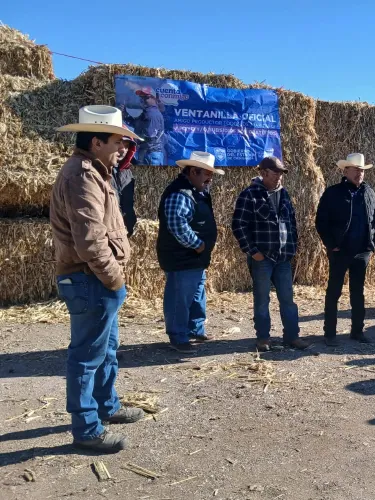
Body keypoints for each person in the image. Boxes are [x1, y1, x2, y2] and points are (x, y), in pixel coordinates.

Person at [52, 105, 146, 452]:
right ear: (96, 142)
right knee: (87, 356)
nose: (123, 148)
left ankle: (107, 405)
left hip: (95, 279)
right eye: (118, 141)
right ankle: (87, 429)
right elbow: (90, 240)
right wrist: (114, 279)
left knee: (105, 350)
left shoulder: (94, 171)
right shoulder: (82, 176)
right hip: (91, 279)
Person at [232, 156, 311, 352]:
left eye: (281, 173)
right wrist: (253, 251)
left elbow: (292, 223)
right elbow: (239, 225)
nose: (279, 177)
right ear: (263, 173)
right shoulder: (249, 195)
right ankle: (263, 338)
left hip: (283, 257)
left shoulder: (284, 194)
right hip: (262, 258)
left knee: (288, 300)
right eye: (275, 173)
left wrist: (292, 247)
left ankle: (292, 336)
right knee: (262, 300)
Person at [156, 151, 222, 353]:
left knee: (196, 294)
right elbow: (177, 224)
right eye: (207, 174)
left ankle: (194, 329)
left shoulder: (196, 191)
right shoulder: (180, 193)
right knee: (180, 298)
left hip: (195, 258)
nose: (210, 179)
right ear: (193, 172)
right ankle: (178, 336)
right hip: (182, 257)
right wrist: (197, 244)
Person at [315, 153, 375, 346]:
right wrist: (331, 244)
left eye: (362, 170)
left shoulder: (369, 192)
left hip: (362, 251)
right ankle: (330, 334)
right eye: (356, 170)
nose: (359, 173)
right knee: (334, 292)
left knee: (357, 293)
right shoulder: (333, 193)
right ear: (345, 171)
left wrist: (372, 244)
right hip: (340, 251)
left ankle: (357, 331)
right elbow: (321, 222)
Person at [123, 86, 165, 165]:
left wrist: (134, 140)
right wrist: (125, 115)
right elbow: (136, 124)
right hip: (148, 153)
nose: (143, 100)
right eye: (141, 97)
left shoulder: (152, 114)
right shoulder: (147, 113)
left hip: (151, 154)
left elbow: (149, 136)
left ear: (154, 99)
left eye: (146, 97)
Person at [110, 125, 138, 236]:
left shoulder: (127, 173)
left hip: (125, 232)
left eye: (127, 146)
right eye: (119, 143)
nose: (123, 150)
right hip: (110, 233)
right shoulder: (100, 172)